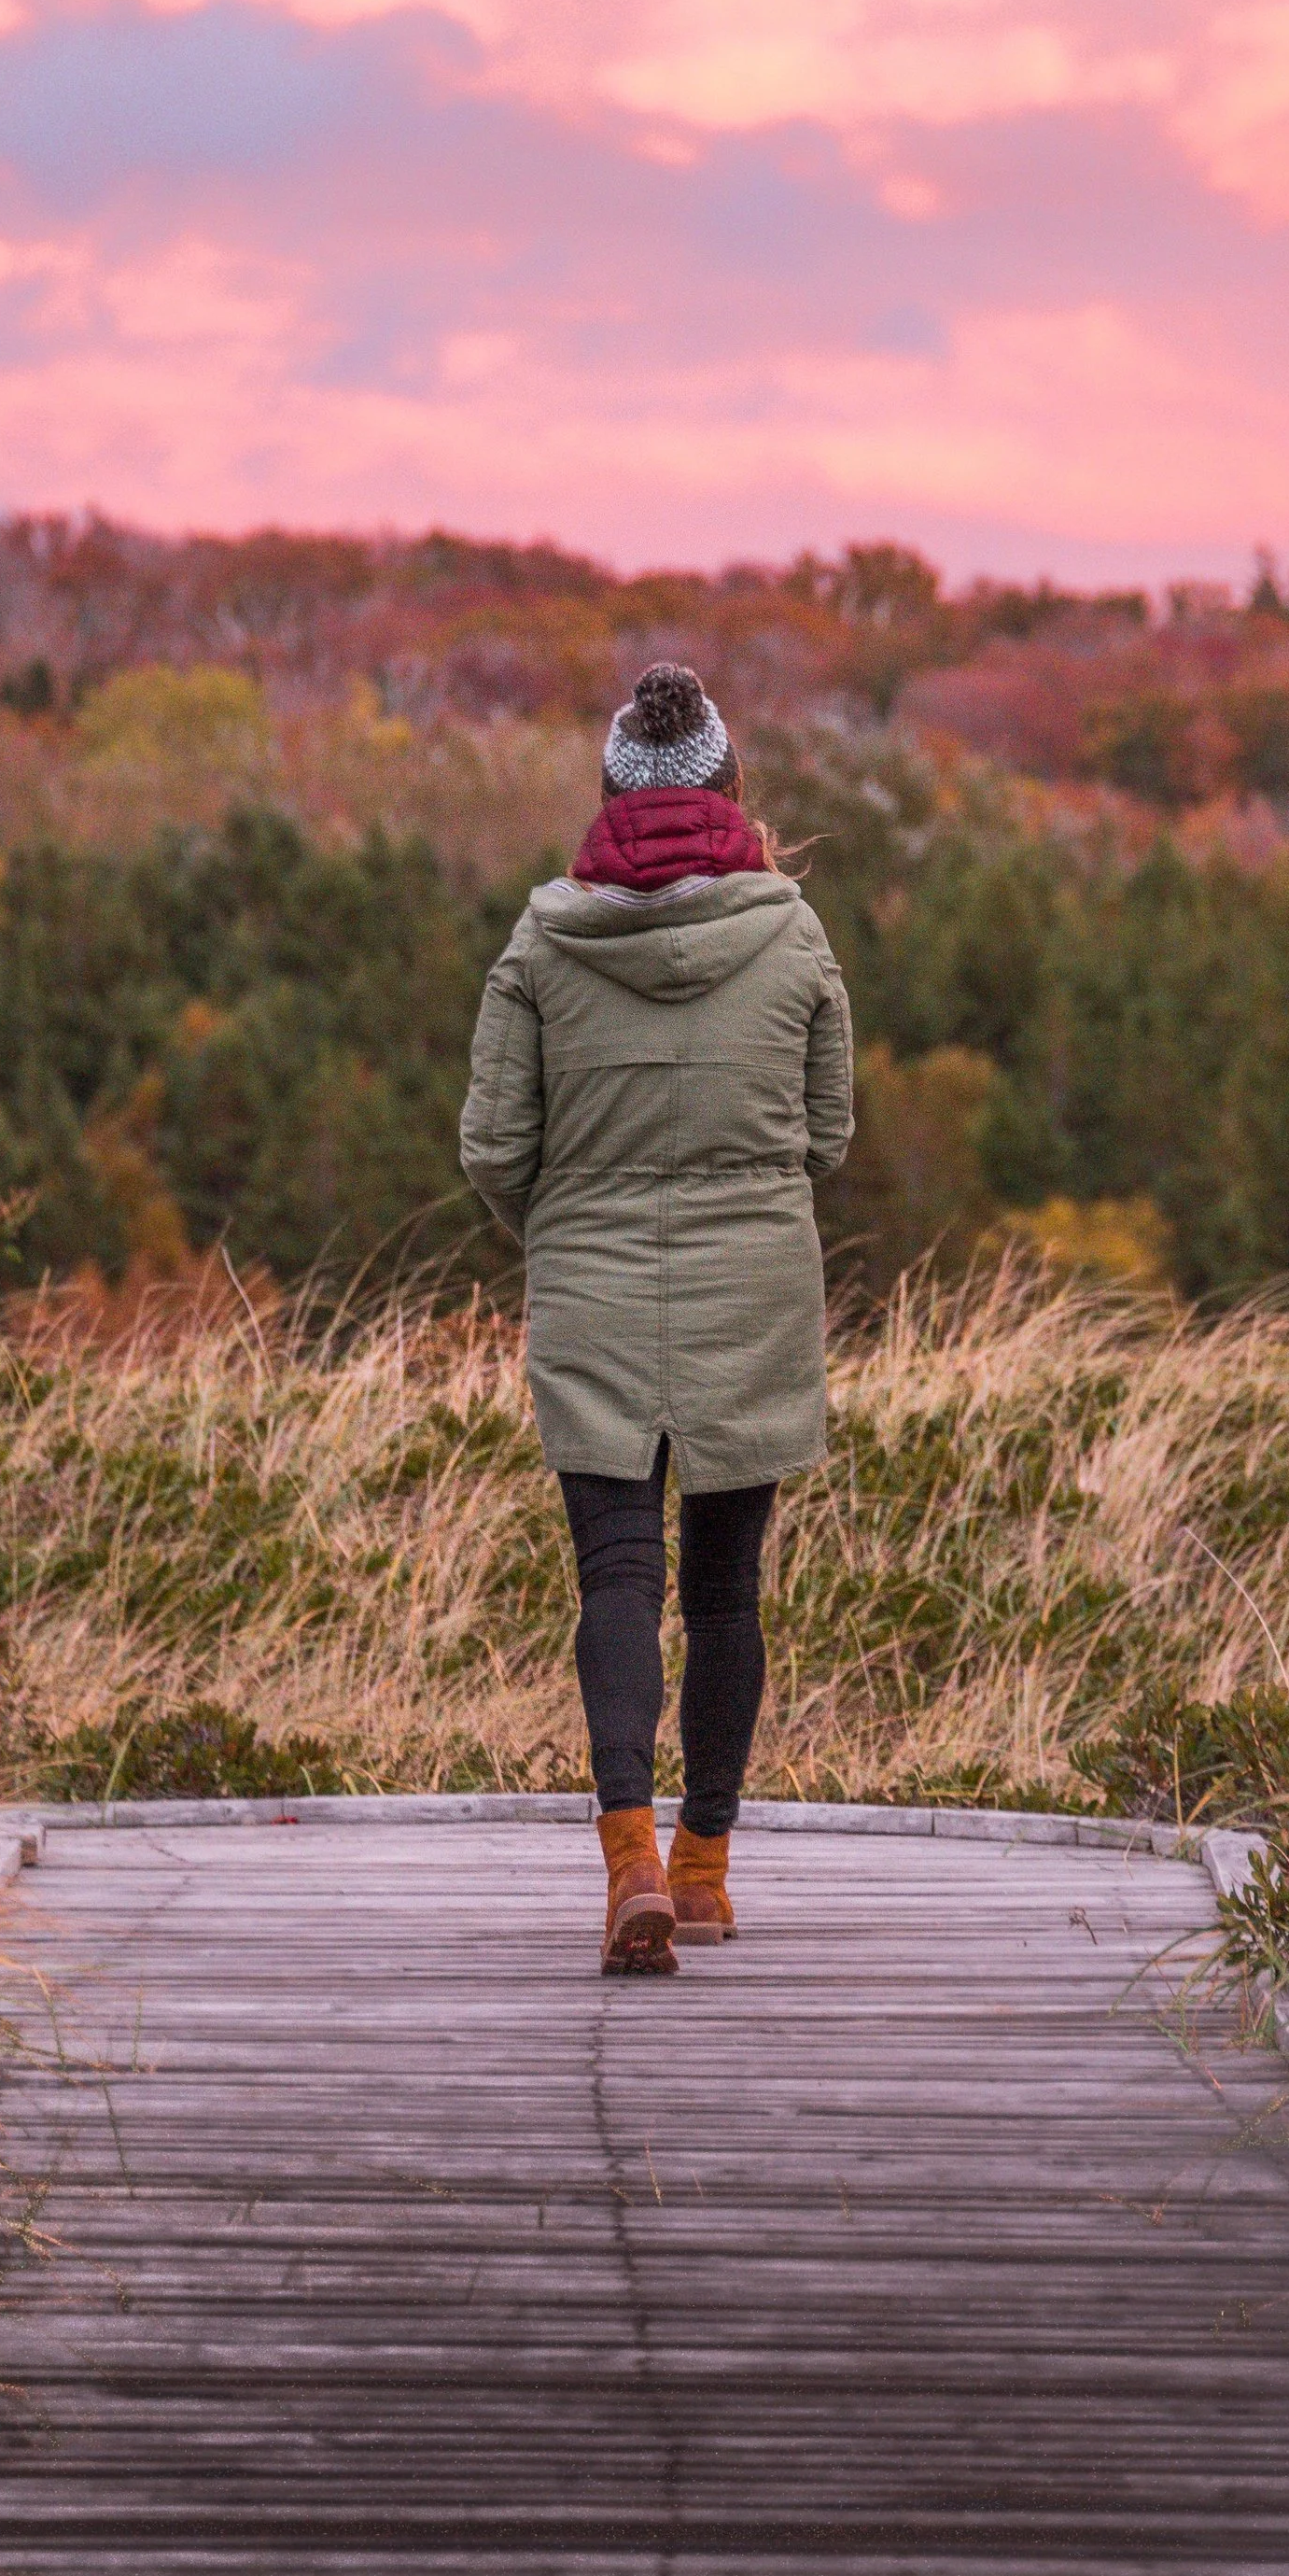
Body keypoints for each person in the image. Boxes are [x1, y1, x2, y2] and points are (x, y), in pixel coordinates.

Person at [459, 662, 855, 1974]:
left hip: (595, 1291)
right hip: (754, 1293)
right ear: (732, 790)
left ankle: (626, 1852)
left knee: (619, 1576)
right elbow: (830, 1136)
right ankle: (704, 1871)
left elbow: (492, 1146)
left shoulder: (542, 945)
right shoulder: (793, 938)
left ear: (610, 797)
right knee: (729, 1595)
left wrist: (565, 1229)